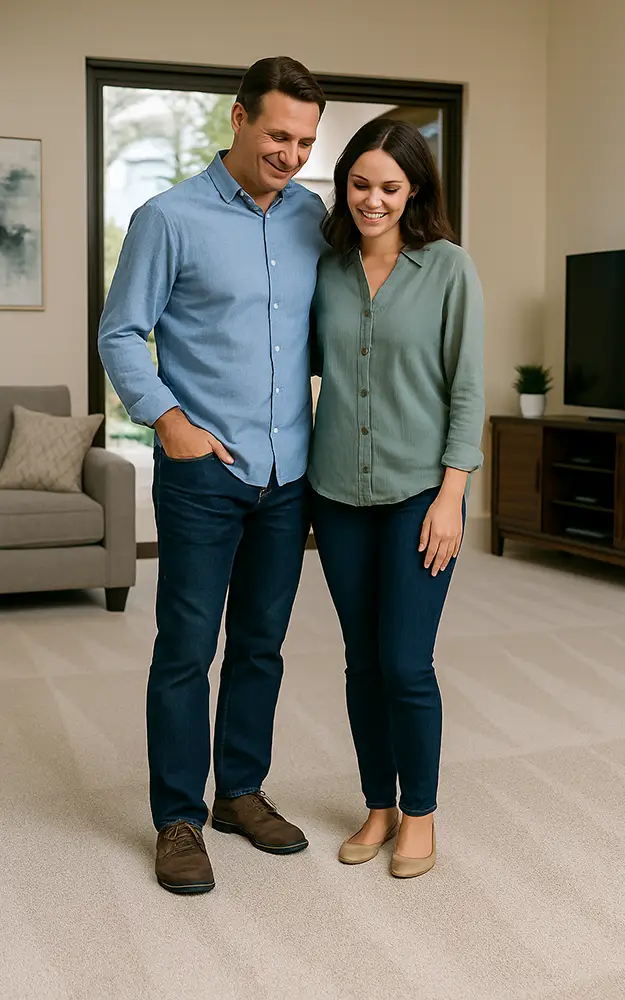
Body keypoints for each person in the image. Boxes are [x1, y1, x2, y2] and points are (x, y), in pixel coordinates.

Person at [99, 56, 328, 895]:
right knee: (186, 650)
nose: (291, 154)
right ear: (237, 120)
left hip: (288, 471)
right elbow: (122, 331)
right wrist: (168, 421)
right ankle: (177, 819)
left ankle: (238, 793)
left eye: (304, 140)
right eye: (277, 134)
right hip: (204, 473)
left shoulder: (314, 218)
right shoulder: (169, 217)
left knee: (261, 647)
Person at [309, 119, 484, 879]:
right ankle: (377, 805)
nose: (371, 200)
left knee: (406, 663)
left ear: (413, 190)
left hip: (422, 494)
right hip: (337, 494)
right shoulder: (327, 268)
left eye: (388, 186)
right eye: (359, 184)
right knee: (360, 661)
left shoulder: (447, 268)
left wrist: (451, 496)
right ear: (342, 184)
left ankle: (420, 815)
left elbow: (467, 388)